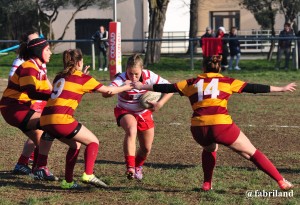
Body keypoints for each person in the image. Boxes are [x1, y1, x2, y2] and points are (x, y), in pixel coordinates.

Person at [133, 55, 295, 191]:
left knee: (210, 148)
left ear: (203, 68)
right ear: (219, 68)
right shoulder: (227, 81)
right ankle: (281, 181)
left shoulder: (192, 82)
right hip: (221, 126)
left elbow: (168, 88)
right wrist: (281, 88)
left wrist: (142, 85)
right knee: (252, 153)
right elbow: (253, 87)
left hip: (199, 129)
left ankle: (207, 184)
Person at [40, 48, 133, 189]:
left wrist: (82, 75)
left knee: (75, 144)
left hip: (45, 119)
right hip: (61, 120)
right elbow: (109, 90)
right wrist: (126, 86)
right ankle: (88, 174)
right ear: (79, 62)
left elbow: (70, 87)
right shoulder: (84, 79)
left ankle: (68, 182)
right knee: (93, 142)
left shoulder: (59, 77)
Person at [102, 54, 173, 180]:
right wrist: (124, 86)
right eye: (130, 73)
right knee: (131, 128)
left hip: (144, 113)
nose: (133, 77)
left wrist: (160, 104)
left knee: (146, 148)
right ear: (126, 70)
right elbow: (106, 94)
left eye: (136, 74)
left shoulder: (150, 76)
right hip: (124, 110)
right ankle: (130, 167)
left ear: (142, 70)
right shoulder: (121, 78)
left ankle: (138, 166)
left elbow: (170, 88)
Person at [0, 38, 58, 181]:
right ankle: (40, 168)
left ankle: (34, 169)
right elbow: (31, 92)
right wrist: (53, 96)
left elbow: (48, 92)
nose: (51, 53)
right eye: (47, 50)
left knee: (41, 136)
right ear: (39, 52)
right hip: (12, 107)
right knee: (47, 126)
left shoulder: (38, 68)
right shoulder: (28, 67)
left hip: (19, 107)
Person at [10, 30, 46, 175]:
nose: (39, 43)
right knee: (40, 135)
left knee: (39, 135)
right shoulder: (20, 61)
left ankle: (25, 162)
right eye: (34, 40)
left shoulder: (41, 61)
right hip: (28, 103)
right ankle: (35, 166)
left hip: (39, 101)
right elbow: (13, 81)